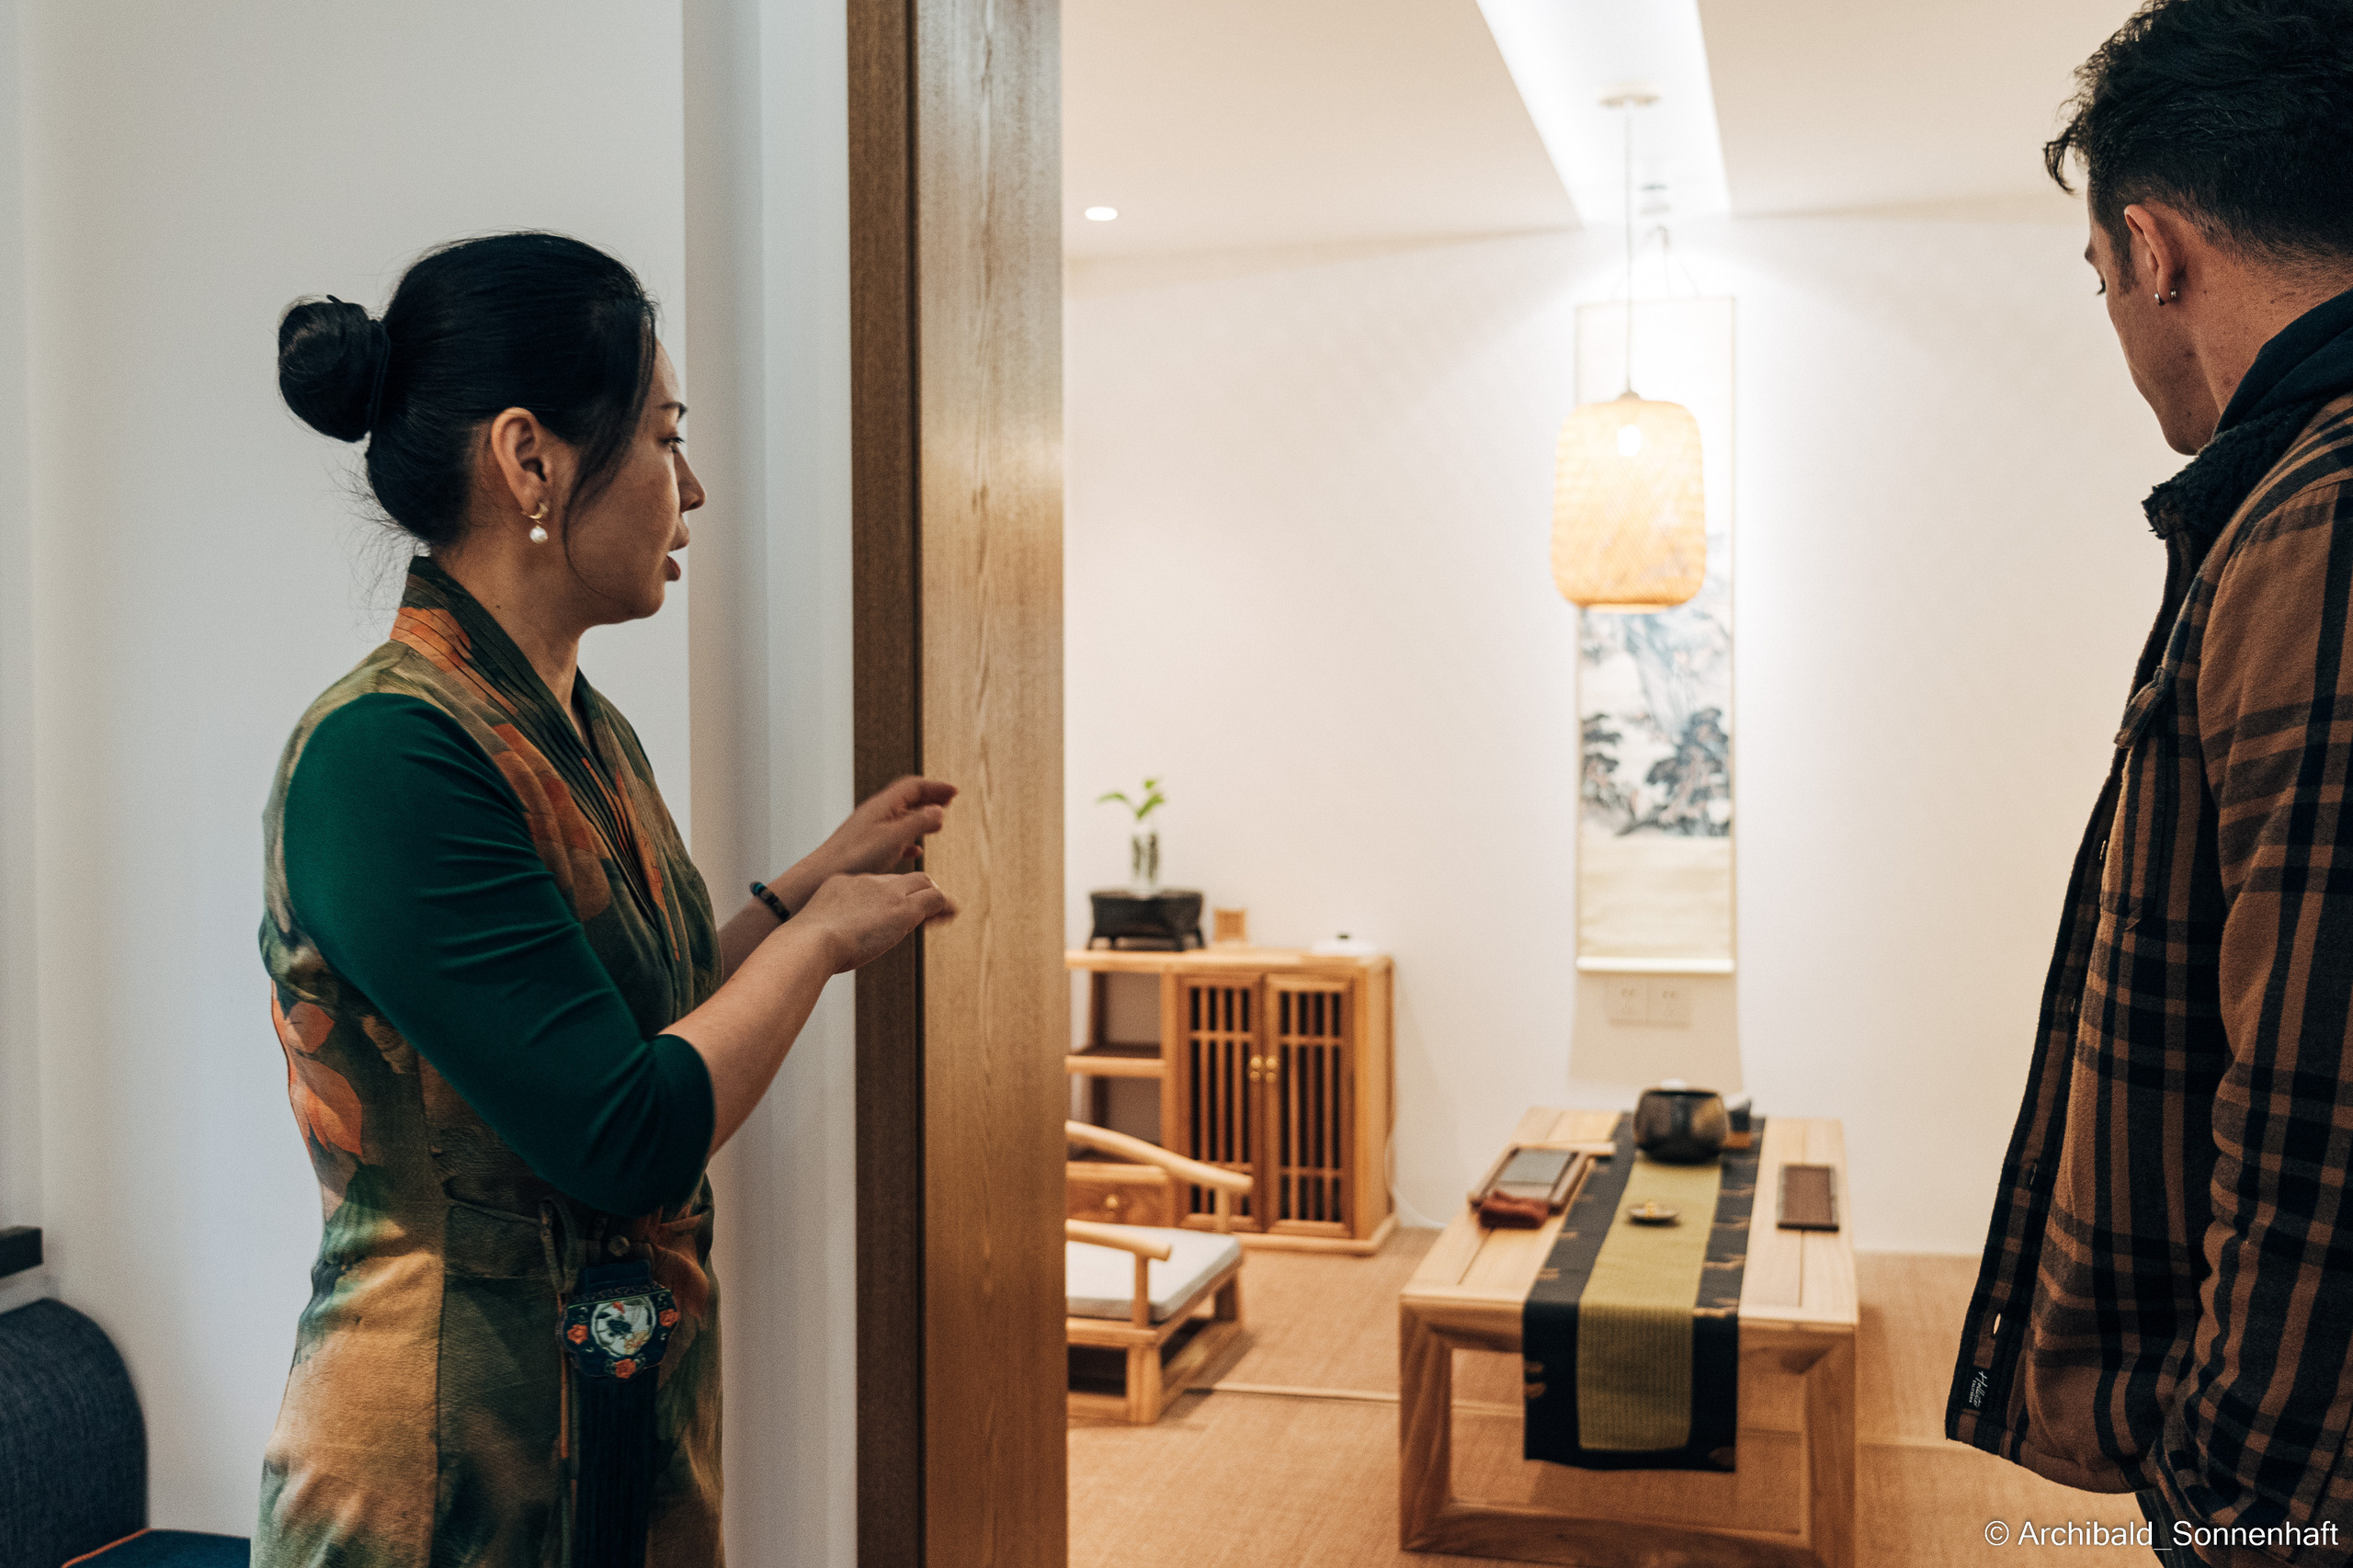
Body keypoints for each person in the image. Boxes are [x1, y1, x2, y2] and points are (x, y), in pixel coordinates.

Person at [256, 232, 955, 1565]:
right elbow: (625, 1132)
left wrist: (800, 890)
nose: (691, 488)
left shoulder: (575, 723)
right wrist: (812, 946)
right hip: (447, 1468)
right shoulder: (386, 754)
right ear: (530, 460)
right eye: (664, 437)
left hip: (607, 1409)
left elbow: (631, 1029)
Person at [1949, 2, 2353, 1563]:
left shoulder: (2322, 516)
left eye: (2099, 273)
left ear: (2152, 248)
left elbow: (2317, 1107)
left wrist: (2230, 1497)